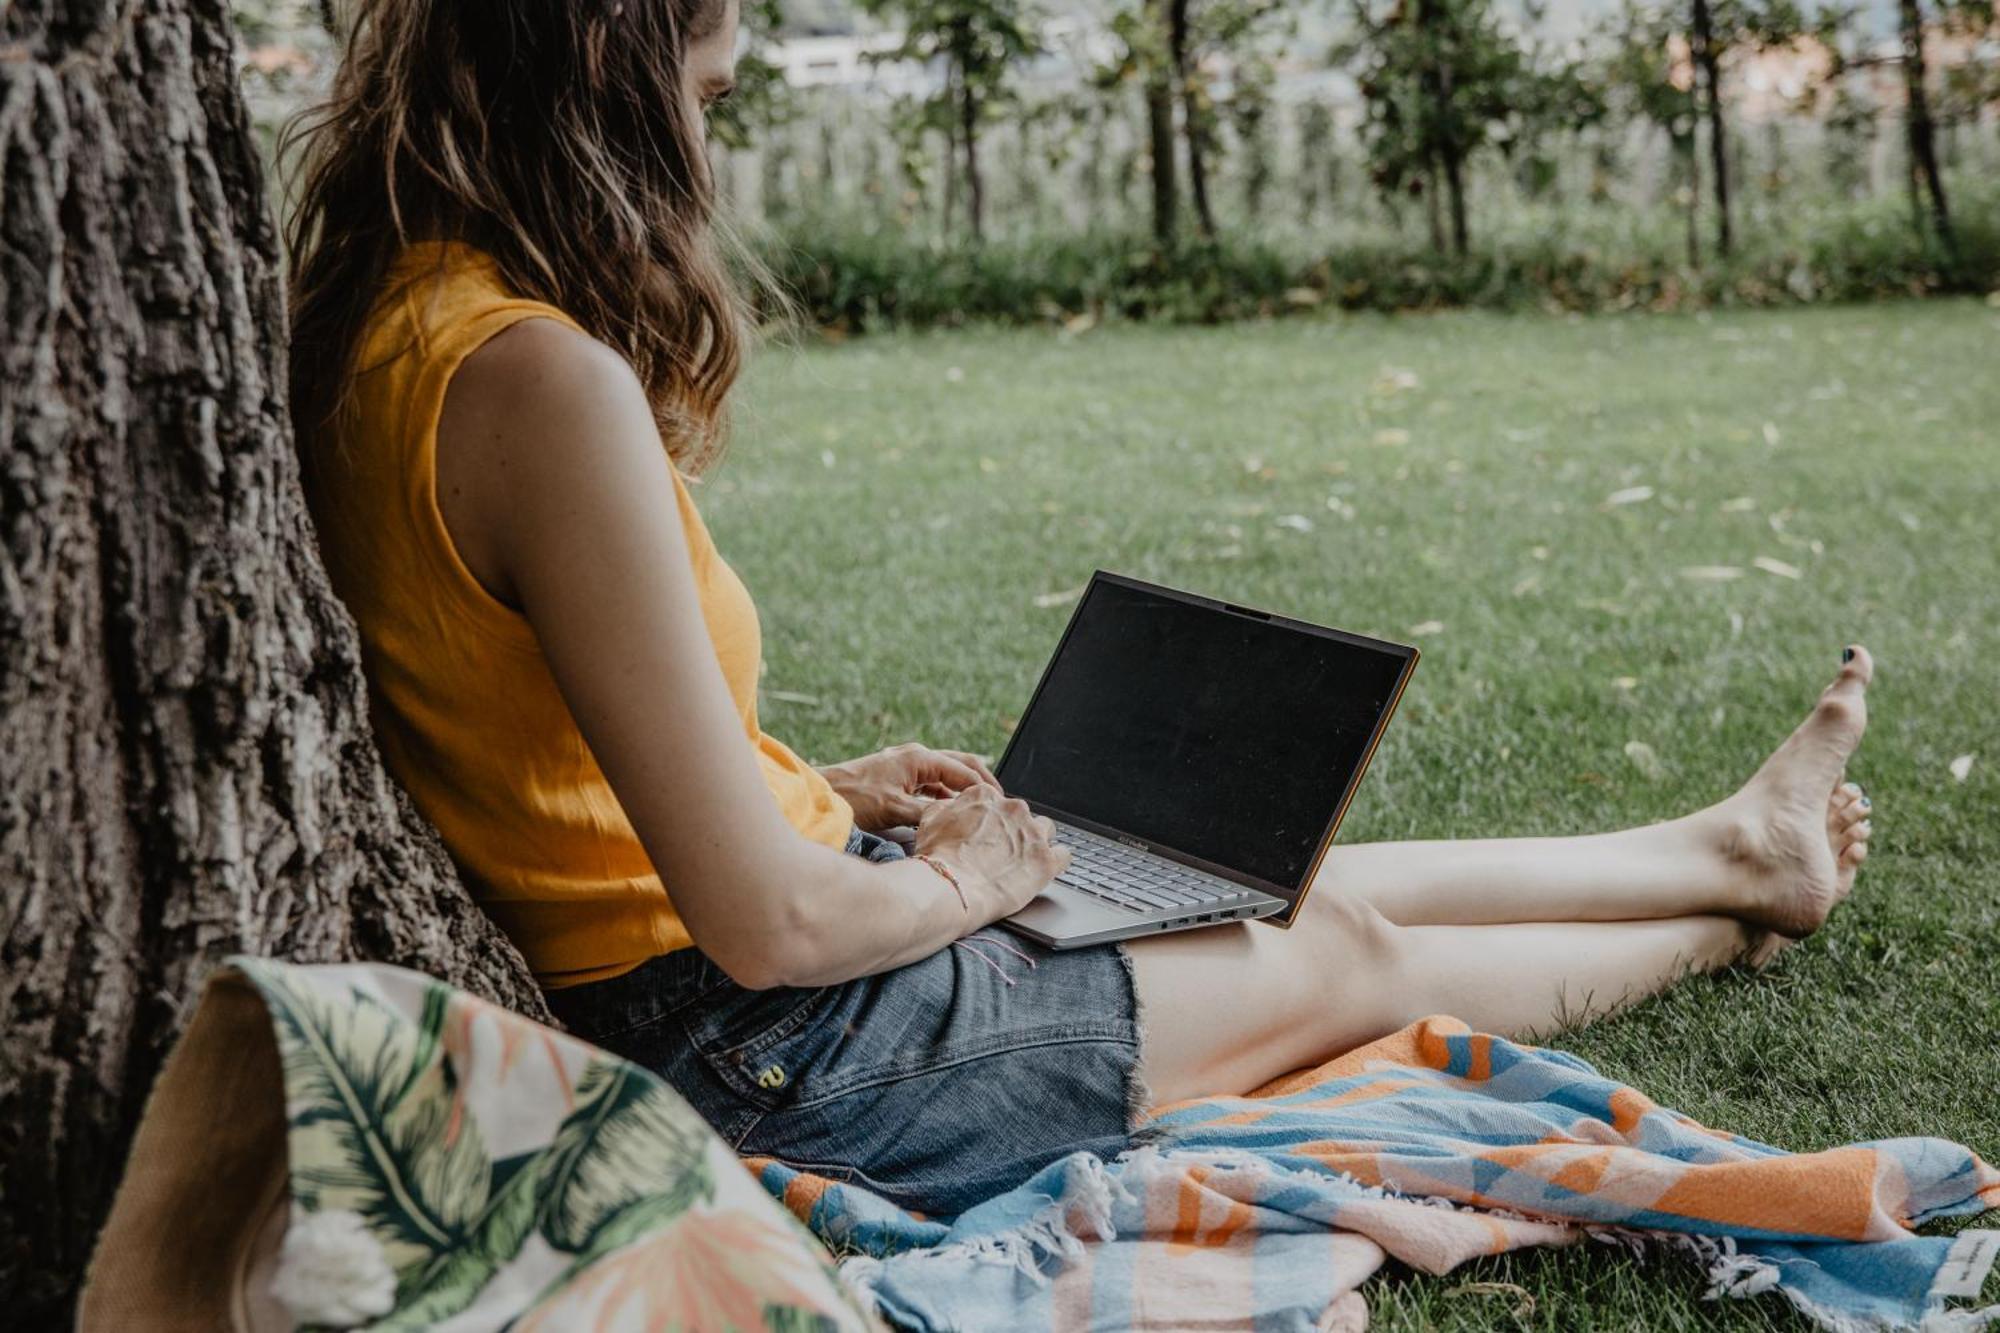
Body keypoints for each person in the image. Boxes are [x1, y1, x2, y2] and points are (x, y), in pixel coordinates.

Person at [286, 0, 1875, 1214]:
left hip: (725, 982)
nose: (710, 148)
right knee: (1348, 953)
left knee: (1258, 884)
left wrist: (813, 790)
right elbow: (768, 924)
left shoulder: (388, 318)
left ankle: (1726, 848)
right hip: (769, 1048)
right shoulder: (540, 385)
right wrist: (963, 884)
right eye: (709, 92)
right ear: (610, 86)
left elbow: (510, 723)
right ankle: (1727, 921)